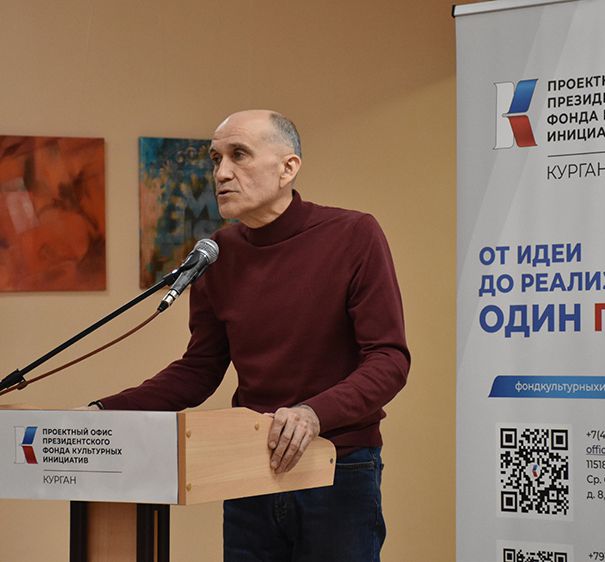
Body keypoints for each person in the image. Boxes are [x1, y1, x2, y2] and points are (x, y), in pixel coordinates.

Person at [93, 109, 410, 561]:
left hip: (337, 466)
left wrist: (313, 414)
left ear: (288, 167)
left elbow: (389, 360)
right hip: (250, 468)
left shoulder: (354, 234)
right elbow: (198, 371)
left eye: (239, 155)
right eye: (215, 159)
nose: (221, 173)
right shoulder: (218, 255)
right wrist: (104, 412)